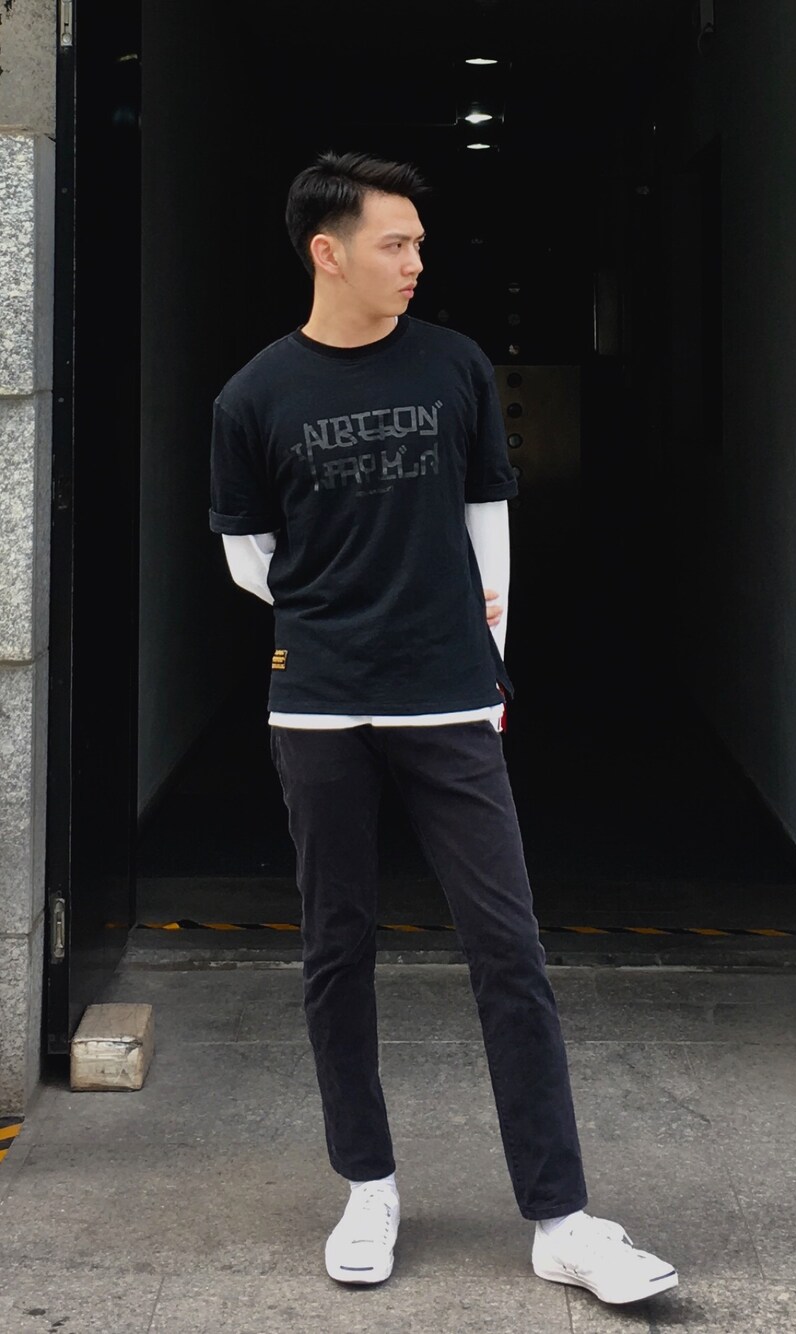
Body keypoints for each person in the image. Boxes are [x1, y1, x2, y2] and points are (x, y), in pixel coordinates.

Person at [208, 150, 678, 1306]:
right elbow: (246, 557)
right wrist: (339, 610)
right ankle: (367, 1185)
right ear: (328, 252)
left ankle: (560, 1217)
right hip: (318, 704)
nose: (417, 260)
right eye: (396, 242)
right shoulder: (253, 396)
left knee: (508, 946)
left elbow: (487, 522)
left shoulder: (456, 365)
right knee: (336, 947)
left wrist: (482, 656)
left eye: (418, 241)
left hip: (450, 697)